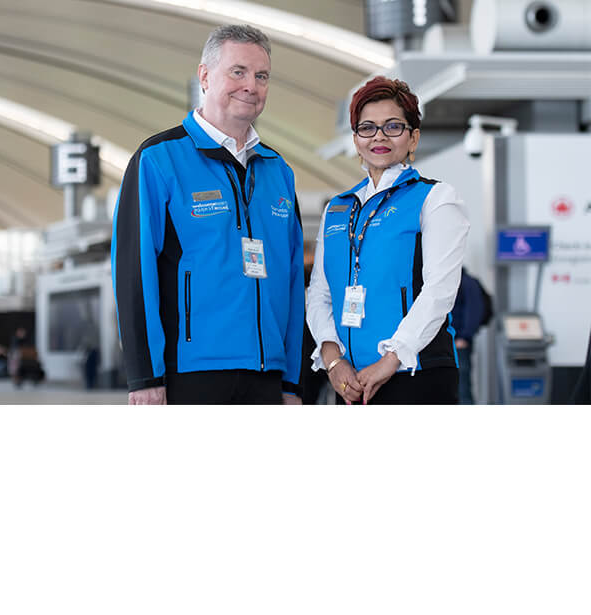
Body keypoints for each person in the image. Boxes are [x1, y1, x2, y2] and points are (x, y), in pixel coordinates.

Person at [112, 24, 304, 405]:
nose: (251, 85)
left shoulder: (278, 171)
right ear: (204, 75)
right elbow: (134, 274)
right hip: (189, 374)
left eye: (261, 76)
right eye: (238, 71)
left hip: (268, 375)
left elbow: (294, 279)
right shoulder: (158, 159)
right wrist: (144, 376)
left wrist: (293, 383)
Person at [306, 76, 470, 404]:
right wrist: (333, 360)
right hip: (350, 380)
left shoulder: (435, 199)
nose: (379, 136)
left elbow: (439, 293)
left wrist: (390, 360)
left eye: (393, 126)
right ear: (356, 140)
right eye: (367, 127)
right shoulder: (338, 208)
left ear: (413, 138)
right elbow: (319, 294)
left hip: (416, 374)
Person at [451, 267, 491, 404]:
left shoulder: (467, 282)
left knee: (462, 388)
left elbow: (474, 310)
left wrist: (464, 337)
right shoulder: (449, 281)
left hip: (459, 343)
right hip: (449, 342)